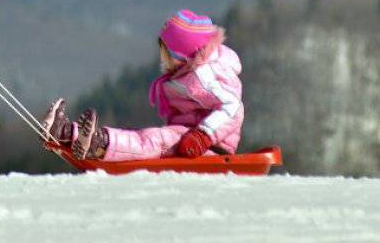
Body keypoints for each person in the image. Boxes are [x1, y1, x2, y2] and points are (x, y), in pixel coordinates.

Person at [43, 10, 243, 161]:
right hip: (191, 137)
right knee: (139, 135)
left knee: (151, 140)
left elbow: (233, 108)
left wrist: (203, 135)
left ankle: (98, 145)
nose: (161, 55)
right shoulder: (189, 72)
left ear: (181, 56)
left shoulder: (204, 76)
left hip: (211, 147)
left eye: (165, 50)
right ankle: (68, 133)